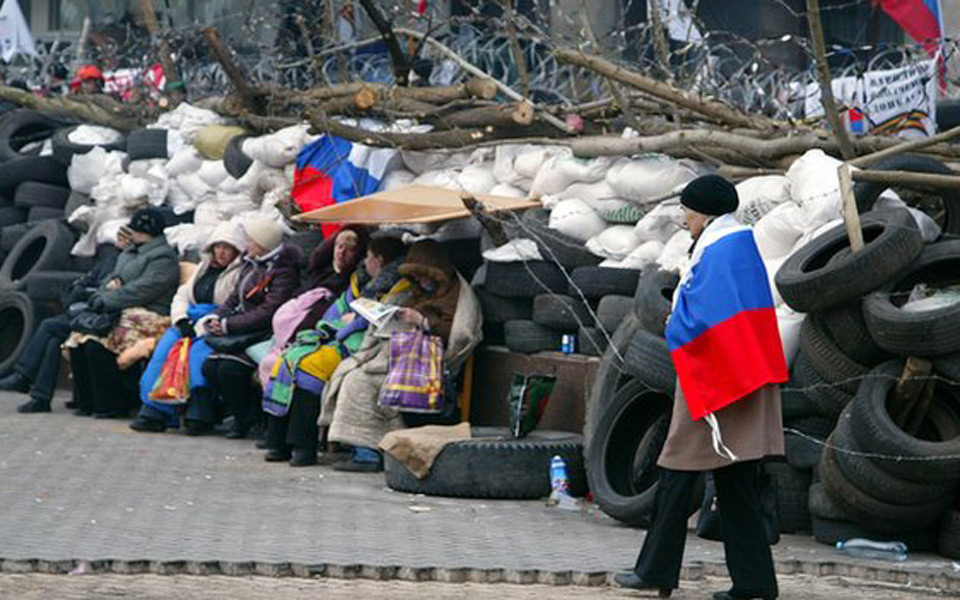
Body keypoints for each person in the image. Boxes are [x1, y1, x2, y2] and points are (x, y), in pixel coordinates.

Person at [614, 175, 787, 600]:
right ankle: (754, 583)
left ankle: (655, 571)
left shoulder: (720, 251)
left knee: (675, 473)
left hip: (718, 383)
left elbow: (704, 320)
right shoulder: (738, 244)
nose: (683, 217)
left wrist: (674, 322)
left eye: (687, 209)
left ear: (705, 211)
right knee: (737, 485)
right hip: (743, 376)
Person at [323, 239, 482, 472]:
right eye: (414, 276)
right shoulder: (418, 291)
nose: (418, 280)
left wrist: (422, 321)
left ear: (435, 271)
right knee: (352, 376)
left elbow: (460, 334)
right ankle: (365, 450)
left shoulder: (457, 294)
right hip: (401, 354)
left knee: (361, 382)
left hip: (426, 362)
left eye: (421, 275)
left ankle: (369, 455)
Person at [262, 235, 409, 466]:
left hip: (361, 347)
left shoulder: (398, 287)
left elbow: (372, 319)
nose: (365, 261)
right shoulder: (360, 281)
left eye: (368, 256)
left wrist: (347, 325)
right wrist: (338, 324)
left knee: (308, 368)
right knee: (286, 359)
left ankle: (303, 448)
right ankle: (277, 443)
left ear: (379, 259)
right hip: (338, 338)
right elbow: (339, 309)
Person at [129, 222, 246, 433]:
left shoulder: (240, 273)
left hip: (213, 325)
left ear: (237, 250)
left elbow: (232, 305)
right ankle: (154, 410)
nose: (221, 252)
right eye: (218, 247)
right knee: (162, 356)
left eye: (227, 248)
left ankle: (198, 414)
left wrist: (202, 326)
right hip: (187, 321)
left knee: (196, 359)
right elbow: (183, 295)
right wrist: (181, 320)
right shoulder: (203, 268)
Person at [190, 217, 300, 439]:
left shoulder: (283, 271)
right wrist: (216, 317)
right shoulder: (251, 264)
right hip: (242, 329)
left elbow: (268, 311)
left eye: (251, 240)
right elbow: (234, 298)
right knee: (210, 367)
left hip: (264, 333)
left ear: (262, 243)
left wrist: (228, 325)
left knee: (230, 370)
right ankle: (244, 415)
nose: (247, 243)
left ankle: (248, 419)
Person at [66, 208, 181, 418]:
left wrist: (107, 299)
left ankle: (111, 404)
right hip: (121, 309)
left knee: (99, 343)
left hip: (150, 315)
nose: (132, 233)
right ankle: (87, 402)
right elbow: (112, 279)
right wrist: (102, 294)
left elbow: (144, 289)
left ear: (146, 232)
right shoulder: (129, 252)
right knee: (81, 338)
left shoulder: (163, 259)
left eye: (136, 229)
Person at [0, 243, 122, 413]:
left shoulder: (130, 261)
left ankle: (24, 377)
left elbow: (115, 289)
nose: (118, 240)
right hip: (90, 310)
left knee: (49, 326)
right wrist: (80, 288)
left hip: (106, 315)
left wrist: (89, 294)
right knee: (54, 341)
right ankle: (40, 397)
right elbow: (90, 278)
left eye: (125, 235)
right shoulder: (114, 258)